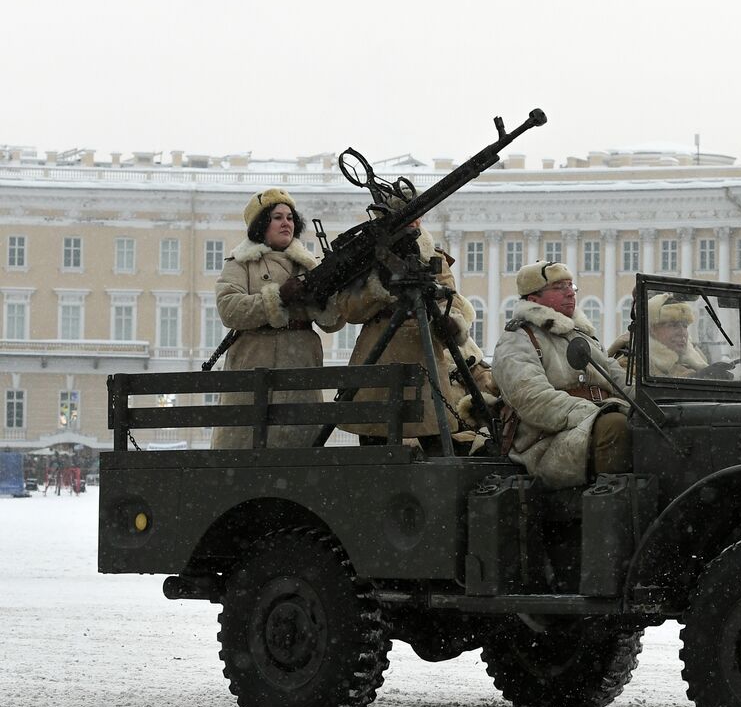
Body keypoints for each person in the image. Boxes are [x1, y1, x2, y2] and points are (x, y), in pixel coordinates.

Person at [334, 201, 496, 454]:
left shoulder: (433, 257)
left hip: (424, 350)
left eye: (417, 214)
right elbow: (349, 309)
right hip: (379, 352)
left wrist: (450, 323)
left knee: (436, 443)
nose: (414, 221)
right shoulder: (366, 257)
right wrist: (379, 288)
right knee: (376, 449)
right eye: (405, 215)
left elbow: (450, 301)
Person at [211, 189, 343, 449]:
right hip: (253, 362)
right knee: (245, 442)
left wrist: (322, 298)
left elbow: (333, 321)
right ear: (261, 224)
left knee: (301, 443)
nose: (286, 223)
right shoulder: (241, 263)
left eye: (290, 218)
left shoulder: (309, 265)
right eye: (277, 217)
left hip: (300, 364)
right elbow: (229, 308)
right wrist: (278, 297)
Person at [492, 261, 631, 488]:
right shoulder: (518, 339)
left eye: (570, 286)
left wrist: (655, 403)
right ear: (534, 299)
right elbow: (533, 399)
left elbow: (618, 378)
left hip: (586, 427)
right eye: (559, 288)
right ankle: (613, 499)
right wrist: (594, 414)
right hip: (546, 442)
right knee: (616, 427)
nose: (570, 293)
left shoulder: (583, 337)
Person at [608, 293, 712, 378]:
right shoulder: (631, 364)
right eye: (673, 325)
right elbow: (640, 392)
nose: (682, 332)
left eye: (685, 326)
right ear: (652, 329)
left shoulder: (695, 361)